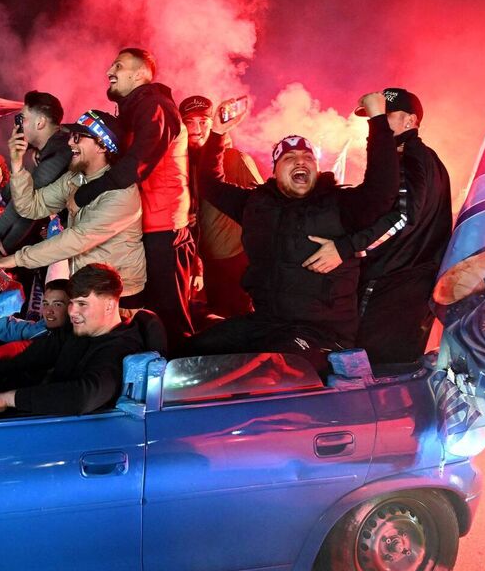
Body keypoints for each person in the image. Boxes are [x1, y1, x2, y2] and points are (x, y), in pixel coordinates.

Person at [181, 92, 399, 368]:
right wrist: (218, 133)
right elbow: (210, 184)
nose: (300, 161)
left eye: (307, 158)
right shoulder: (256, 205)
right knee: (191, 350)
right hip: (266, 323)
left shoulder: (339, 205)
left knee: (272, 365)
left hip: (322, 335)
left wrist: (378, 121)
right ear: (275, 170)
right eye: (289, 158)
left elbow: (383, 192)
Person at [309, 89, 452, 363]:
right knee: (394, 368)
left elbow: (402, 218)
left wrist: (346, 248)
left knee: (367, 365)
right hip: (410, 282)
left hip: (392, 284)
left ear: (410, 121)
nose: (378, 124)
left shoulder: (409, 156)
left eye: (385, 117)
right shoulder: (427, 158)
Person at [74, 48, 194, 348]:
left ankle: (182, 379)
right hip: (143, 225)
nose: (108, 71)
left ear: (140, 74)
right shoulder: (134, 109)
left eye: (119, 65)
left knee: (169, 315)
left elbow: (139, 161)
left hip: (163, 227)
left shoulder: (155, 105)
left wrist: (89, 192)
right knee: (146, 313)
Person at [0, 264, 148, 417]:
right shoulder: (78, 332)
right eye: (71, 303)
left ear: (109, 305)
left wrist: (9, 399)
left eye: (82, 304)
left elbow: (82, 397)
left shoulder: (120, 349)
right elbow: (27, 351)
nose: (72, 311)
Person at [0, 110, 146, 299]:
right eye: (70, 137)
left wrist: (15, 259)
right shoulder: (75, 179)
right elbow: (31, 206)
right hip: (87, 289)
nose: (69, 143)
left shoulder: (122, 193)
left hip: (120, 296)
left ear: (102, 145)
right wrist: (17, 163)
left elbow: (77, 239)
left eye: (78, 137)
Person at [179, 95, 262, 318]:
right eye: (189, 122)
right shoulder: (183, 165)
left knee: (241, 319)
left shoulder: (236, 158)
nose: (196, 129)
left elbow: (265, 207)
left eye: (203, 122)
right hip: (204, 263)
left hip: (236, 260)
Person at [0, 91, 71, 262]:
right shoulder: (53, 146)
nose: (18, 126)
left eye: (22, 119)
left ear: (40, 122)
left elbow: (25, 204)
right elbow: (10, 196)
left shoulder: (61, 151)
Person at [0, 277, 71, 343]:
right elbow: (8, 328)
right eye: (46, 304)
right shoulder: (41, 329)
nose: (48, 311)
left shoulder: (73, 341)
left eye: (57, 304)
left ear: (72, 307)